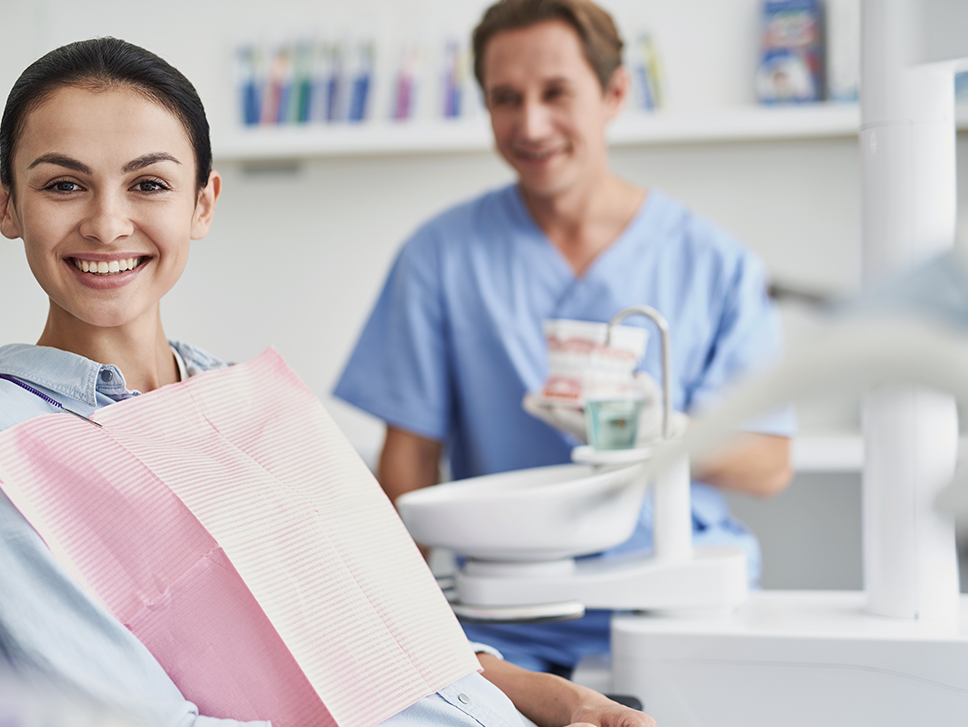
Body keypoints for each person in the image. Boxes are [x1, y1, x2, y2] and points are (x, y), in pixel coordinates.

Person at [0, 35, 968, 727]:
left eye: (149, 183)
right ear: (7, 202)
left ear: (202, 202)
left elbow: (384, 626)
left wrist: (555, 698)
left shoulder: (234, 394)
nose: (108, 220)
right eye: (62, 183)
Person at [334, 0, 795, 676]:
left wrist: (652, 434)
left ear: (613, 93)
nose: (531, 124)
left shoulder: (711, 262)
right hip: (509, 613)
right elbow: (408, 466)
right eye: (505, 99)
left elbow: (769, 462)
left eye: (556, 93)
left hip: (675, 595)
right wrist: (394, 622)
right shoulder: (440, 257)